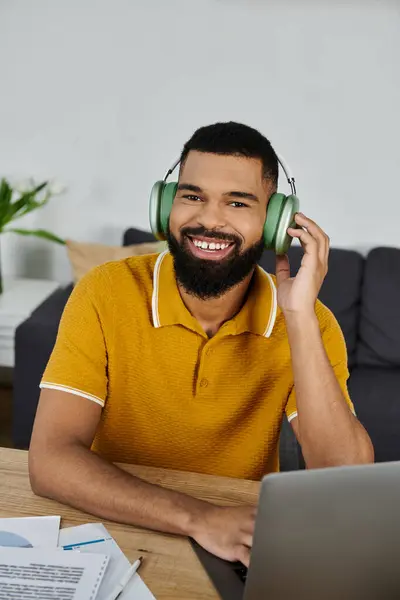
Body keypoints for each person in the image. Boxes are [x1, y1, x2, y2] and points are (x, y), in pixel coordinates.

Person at [29, 121, 374, 567]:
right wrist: (201, 519)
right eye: (192, 196)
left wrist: (300, 320)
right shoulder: (105, 291)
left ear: (275, 223)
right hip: (113, 526)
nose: (209, 219)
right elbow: (50, 460)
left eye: (238, 202)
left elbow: (344, 477)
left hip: (230, 547)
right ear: (165, 207)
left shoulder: (310, 323)